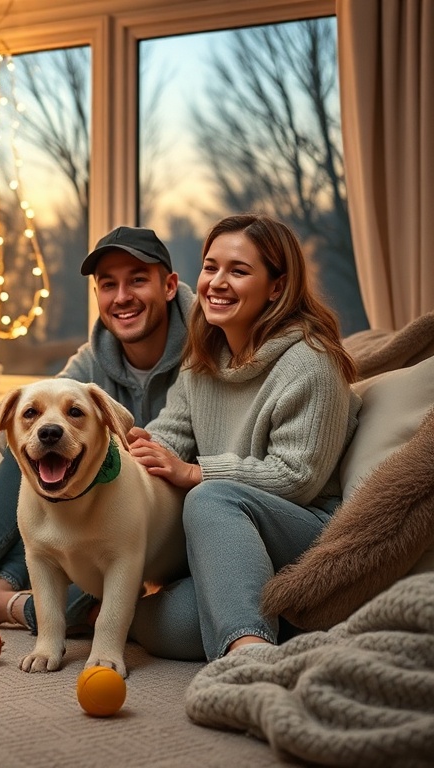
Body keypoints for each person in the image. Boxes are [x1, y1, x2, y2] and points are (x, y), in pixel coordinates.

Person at [0, 225, 195, 636]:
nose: (122, 297)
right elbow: (47, 412)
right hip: (101, 494)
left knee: (104, 565)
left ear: (169, 286)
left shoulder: (204, 348)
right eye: (108, 284)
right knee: (39, 444)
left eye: (137, 280)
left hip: (170, 515)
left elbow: (183, 435)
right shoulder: (93, 358)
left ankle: (4, 604)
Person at [126, 212, 359, 661]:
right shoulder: (204, 361)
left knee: (209, 497)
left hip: (305, 537)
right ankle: (263, 620)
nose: (216, 282)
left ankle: (250, 658)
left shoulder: (312, 362)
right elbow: (169, 435)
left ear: (277, 287)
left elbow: (298, 477)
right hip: (230, 539)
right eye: (211, 267)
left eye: (238, 270)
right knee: (155, 623)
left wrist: (196, 472)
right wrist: (127, 454)